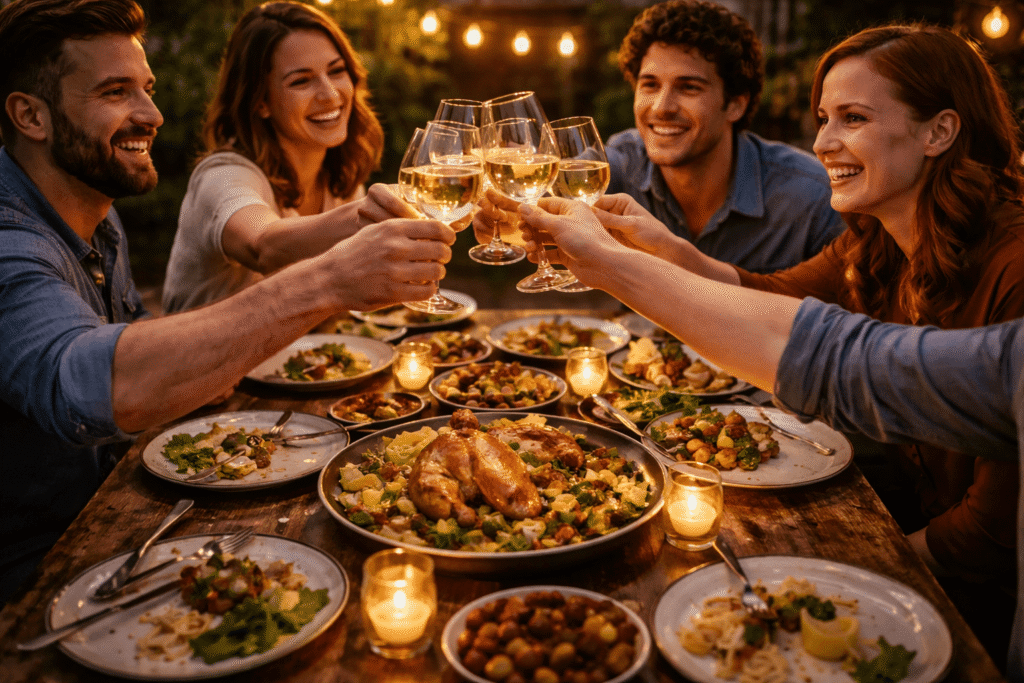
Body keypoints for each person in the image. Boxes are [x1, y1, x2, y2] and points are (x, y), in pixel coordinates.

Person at [512, 23, 1024, 597]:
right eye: (824, 119)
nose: (825, 144)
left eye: (853, 118)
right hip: (913, 524)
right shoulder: (875, 240)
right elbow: (769, 299)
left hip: (978, 593)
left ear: (940, 131)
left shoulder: (1013, 265)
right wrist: (663, 247)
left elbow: (991, 531)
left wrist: (863, 572)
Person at [0, 0, 453, 603]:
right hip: (37, 568)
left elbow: (139, 339)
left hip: (127, 510)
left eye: (148, 89)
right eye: (115, 92)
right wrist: (331, 280)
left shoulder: (97, 222)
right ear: (30, 115)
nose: (152, 114)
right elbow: (101, 384)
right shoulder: (12, 240)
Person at [162, 1, 414, 313]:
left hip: (300, 359)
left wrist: (467, 218)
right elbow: (265, 245)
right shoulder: (224, 176)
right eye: (301, 81)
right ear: (261, 101)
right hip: (200, 361)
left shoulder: (340, 183)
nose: (331, 95)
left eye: (336, 71)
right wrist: (368, 218)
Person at [605, 0, 845, 272]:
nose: (662, 107)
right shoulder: (618, 167)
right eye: (650, 84)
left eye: (689, 88)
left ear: (735, 105)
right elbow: (556, 186)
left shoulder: (811, 200)